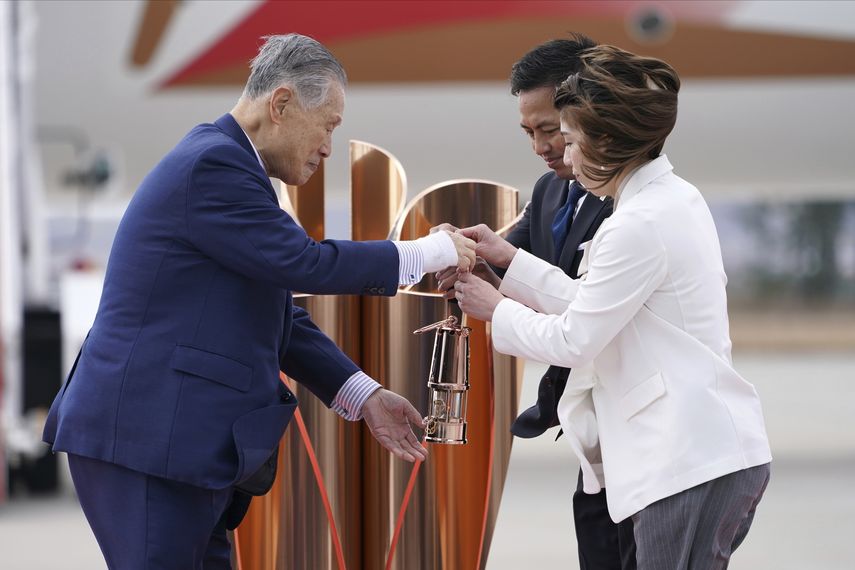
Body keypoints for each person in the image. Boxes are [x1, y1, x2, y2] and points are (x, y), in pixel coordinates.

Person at [42, 34, 475, 569]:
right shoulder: (214, 167)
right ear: (282, 104)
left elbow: (276, 312)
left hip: (178, 447)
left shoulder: (230, 167)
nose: (327, 147)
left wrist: (362, 396)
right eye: (329, 126)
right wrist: (427, 251)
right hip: (151, 444)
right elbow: (307, 262)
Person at [453, 44, 771, 569]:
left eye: (571, 140)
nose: (566, 157)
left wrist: (495, 310)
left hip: (685, 458)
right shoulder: (667, 199)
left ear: (606, 141)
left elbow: (576, 337)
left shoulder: (638, 223)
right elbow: (592, 301)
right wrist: (509, 259)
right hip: (693, 455)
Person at [435, 34, 633, 569]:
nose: (542, 147)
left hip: (632, 420)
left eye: (551, 130)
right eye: (530, 132)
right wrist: (455, 254)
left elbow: (580, 315)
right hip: (591, 433)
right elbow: (510, 253)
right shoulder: (550, 192)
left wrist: (494, 306)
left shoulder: (630, 206)